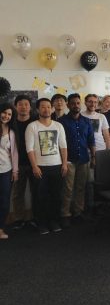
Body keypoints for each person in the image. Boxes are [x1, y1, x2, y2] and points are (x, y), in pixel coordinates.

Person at [25, 98, 68, 234]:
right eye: (43, 107)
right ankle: (41, 223)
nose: (46, 109)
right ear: (38, 109)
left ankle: (54, 221)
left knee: (56, 196)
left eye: (49, 107)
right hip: (40, 167)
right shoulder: (32, 126)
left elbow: (63, 146)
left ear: (52, 108)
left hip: (57, 166)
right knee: (40, 196)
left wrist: (65, 164)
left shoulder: (58, 126)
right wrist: (34, 166)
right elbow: (29, 149)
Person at [58, 93, 96, 228]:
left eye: (78, 103)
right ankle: (65, 214)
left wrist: (93, 157)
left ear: (81, 104)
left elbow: (91, 141)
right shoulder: (61, 122)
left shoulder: (87, 121)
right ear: (68, 105)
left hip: (84, 159)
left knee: (80, 188)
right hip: (68, 160)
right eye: (73, 103)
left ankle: (78, 213)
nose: (76, 105)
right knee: (67, 189)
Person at [11, 95, 37, 229]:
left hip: (35, 164)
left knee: (36, 191)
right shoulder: (11, 122)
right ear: (16, 106)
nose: (23, 107)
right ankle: (18, 218)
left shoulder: (35, 122)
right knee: (17, 193)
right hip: (17, 164)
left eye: (26, 104)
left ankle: (34, 217)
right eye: (20, 104)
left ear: (30, 107)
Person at [0, 104, 19, 240]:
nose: (6, 116)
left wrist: (15, 171)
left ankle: (0, 229)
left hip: (6, 171)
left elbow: (14, 153)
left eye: (9, 114)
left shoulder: (12, 132)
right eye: (4, 113)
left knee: (4, 201)